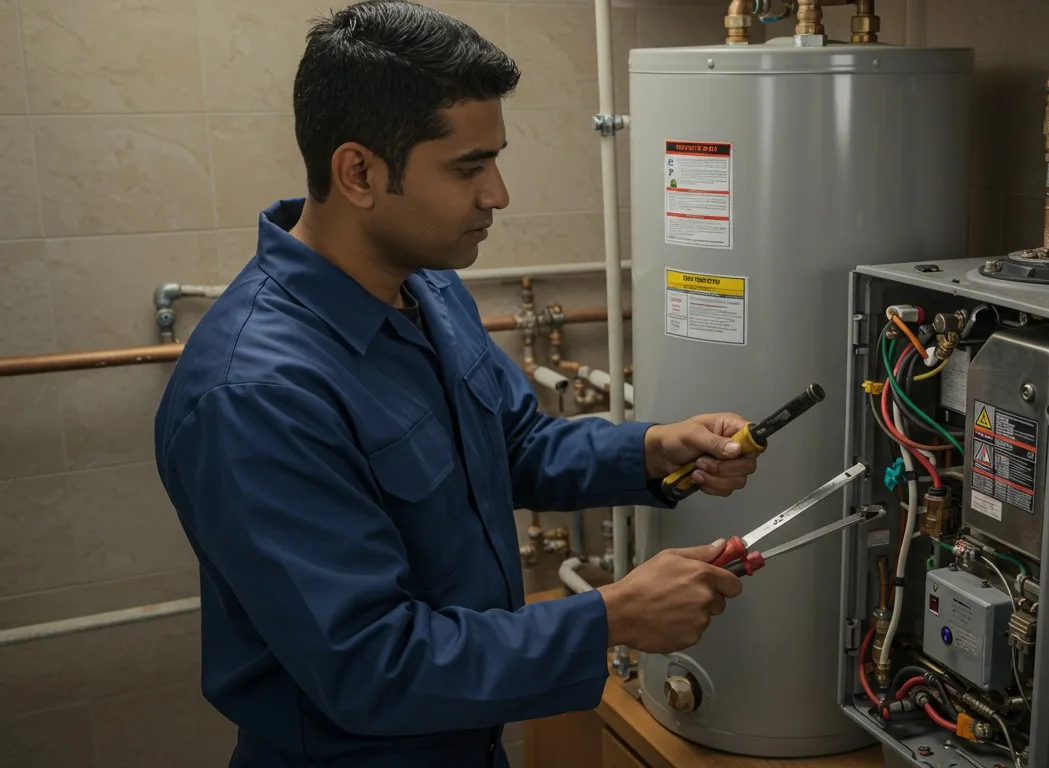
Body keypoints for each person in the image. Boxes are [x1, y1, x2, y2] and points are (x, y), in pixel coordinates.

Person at [152, 2, 756, 765]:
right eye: (468, 167)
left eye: (495, 160)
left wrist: (652, 450)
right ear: (359, 172)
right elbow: (372, 665)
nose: (497, 195)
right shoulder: (255, 394)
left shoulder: (425, 288)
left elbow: (513, 444)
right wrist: (610, 617)